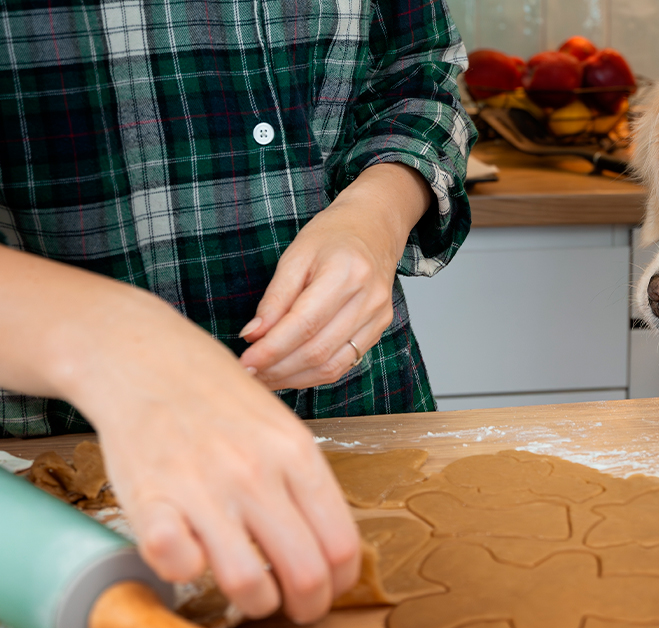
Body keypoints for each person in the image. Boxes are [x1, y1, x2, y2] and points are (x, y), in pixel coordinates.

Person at [0, 0, 474, 622]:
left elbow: (418, 74)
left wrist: (376, 214)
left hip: (365, 418)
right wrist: (97, 335)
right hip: (44, 489)